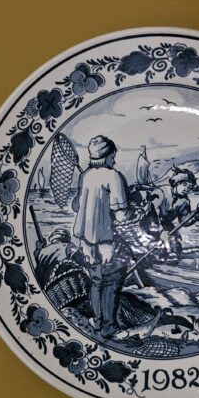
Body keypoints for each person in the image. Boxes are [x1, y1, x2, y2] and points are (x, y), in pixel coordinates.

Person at [72, 135, 135, 338]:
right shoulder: (113, 176)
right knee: (113, 280)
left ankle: (97, 321)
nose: (114, 160)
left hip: (85, 239)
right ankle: (109, 327)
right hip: (106, 240)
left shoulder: (85, 176)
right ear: (107, 156)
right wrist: (135, 211)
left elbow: (76, 205)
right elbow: (121, 214)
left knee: (96, 280)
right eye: (113, 156)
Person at [152, 168, 199, 260]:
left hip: (165, 223)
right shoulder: (161, 192)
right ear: (176, 182)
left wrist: (198, 214)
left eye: (189, 187)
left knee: (176, 240)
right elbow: (151, 214)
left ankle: (172, 257)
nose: (186, 189)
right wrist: (160, 231)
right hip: (148, 222)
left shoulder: (184, 201)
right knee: (157, 243)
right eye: (184, 184)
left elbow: (184, 221)